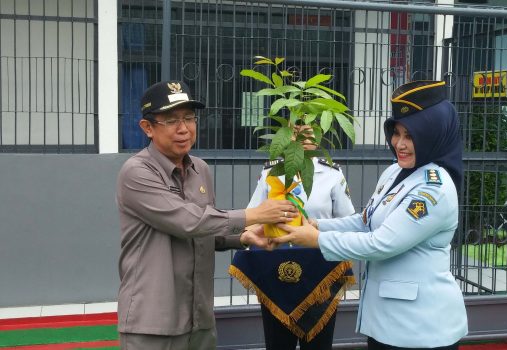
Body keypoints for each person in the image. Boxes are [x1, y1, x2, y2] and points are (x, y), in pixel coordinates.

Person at [275, 80, 468, 350]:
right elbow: (365, 221)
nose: (399, 143)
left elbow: (381, 242)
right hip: (387, 322)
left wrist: (316, 239)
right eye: (396, 133)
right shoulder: (395, 172)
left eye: (410, 136)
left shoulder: (434, 188)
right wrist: (318, 224)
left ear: (432, 135)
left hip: (421, 329)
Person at [116, 80, 298, 350]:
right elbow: (188, 222)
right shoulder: (137, 172)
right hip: (152, 321)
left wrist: (246, 237)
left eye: (189, 118)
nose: (183, 129)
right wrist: (256, 214)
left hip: (199, 318)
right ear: (147, 128)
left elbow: (206, 230)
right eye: (171, 120)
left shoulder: (200, 169)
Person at [245, 125, 356, 350]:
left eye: (312, 130)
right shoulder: (272, 172)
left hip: (319, 272)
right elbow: (253, 216)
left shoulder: (332, 174)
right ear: (287, 135)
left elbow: (348, 221)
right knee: (278, 343)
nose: (305, 136)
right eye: (297, 131)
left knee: (318, 343)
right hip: (278, 270)